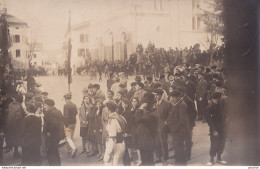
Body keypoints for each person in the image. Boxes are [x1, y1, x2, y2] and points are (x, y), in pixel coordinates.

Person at [167, 90, 190, 165]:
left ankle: (181, 164)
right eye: (171, 97)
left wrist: (174, 129)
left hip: (179, 131)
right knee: (177, 148)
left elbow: (182, 120)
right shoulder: (177, 103)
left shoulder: (181, 105)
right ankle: (179, 163)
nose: (172, 99)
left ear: (178, 97)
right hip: (177, 131)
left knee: (179, 149)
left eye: (174, 97)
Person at [134, 93, 158, 166]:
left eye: (145, 103)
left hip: (148, 141)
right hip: (144, 141)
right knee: (145, 161)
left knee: (148, 162)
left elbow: (138, 119)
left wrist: (140, 108)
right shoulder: (149, 112)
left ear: (150, 104)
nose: (144, 106)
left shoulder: (153, 113)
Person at [206, 92, 227, 166]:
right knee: (214, 144)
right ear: (213, 99)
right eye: (215, 99)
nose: (216, 100)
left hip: (222, 129)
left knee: (221, 143)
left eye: (218, 99)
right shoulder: (210, 107)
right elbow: (209, 120)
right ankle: (211, 159)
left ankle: (219, 158)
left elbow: (223, 116)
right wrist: (214, 130)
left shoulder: (221, 105)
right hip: (215, 129)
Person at [103, 101, 126, 166]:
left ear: (108, 109)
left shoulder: (112, 120)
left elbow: (112, 138)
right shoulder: (120, 116)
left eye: (105, 108)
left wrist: (108, 153)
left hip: (115, 146)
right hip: (122, 143)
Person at [43, 99, 65, 166]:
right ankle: (58, 164)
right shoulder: (58, 111)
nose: (44, 106)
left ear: (50, 106)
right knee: (55, 151)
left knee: (51, 151)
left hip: (53, 136)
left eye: (45, 105)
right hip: (57, 135)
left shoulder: (51, 113)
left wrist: (49, 132)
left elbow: (54, 124)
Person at [153, 89, 172, 165]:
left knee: (163, 142)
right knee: (156, 142)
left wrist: (166, 122)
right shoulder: (154, 103)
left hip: (162, 125)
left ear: (161, 95)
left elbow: (170, 115)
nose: (156, 97)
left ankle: (165, 158)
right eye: (155, 95)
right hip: (155, 125)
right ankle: (158, 157)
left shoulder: (167, 103)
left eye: (157, 95)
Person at [21, 101, 42, 166]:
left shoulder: (25, 119)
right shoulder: (38, 119)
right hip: (36, 142)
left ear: (27, 110)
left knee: (27, 161)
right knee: (36, 160)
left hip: (27, 142)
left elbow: (22, 131)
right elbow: (39, 130)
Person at [6, 94, 26, 158]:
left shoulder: (10, 104)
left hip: (10, 125)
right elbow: (19, 117)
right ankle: (18, 153)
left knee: (14, 139)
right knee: (19, 139)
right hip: (17, 125)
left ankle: (15, 151)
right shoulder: (19, 106)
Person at [63, 93, 78, 158]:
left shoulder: (66, 105)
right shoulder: (74, 105)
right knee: (71, 136)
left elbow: (66, 116)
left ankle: (73, 148)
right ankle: (69, 149)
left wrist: (65, 125)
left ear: (66, 99)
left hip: (68, 124)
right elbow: (76, 113)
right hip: (73, 123)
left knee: (67, 137)